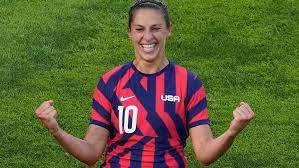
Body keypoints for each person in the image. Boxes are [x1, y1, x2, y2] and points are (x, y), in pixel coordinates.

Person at [35, 0, 255, 167]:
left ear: (169, 29)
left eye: (156, 28)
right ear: (129, 32)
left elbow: (205, 154)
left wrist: (232, 131)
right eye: (139, 29)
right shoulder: (110, 81)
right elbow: (92, 152)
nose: (147, 37)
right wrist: (56, 131)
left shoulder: (188, 82)